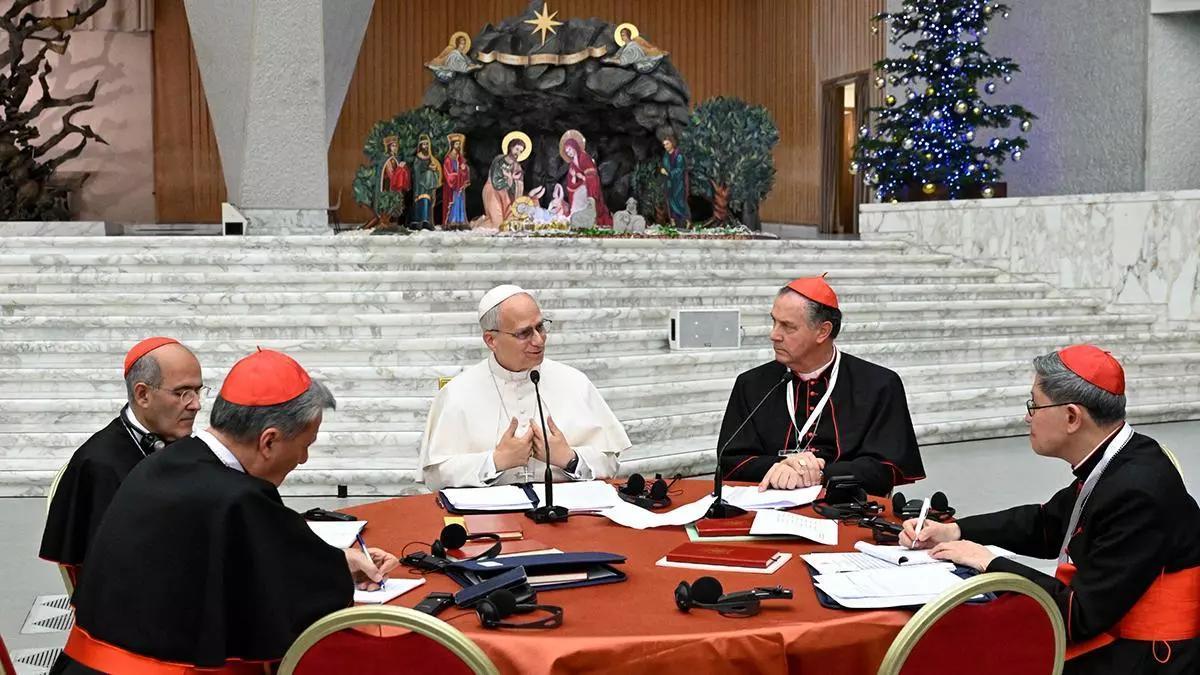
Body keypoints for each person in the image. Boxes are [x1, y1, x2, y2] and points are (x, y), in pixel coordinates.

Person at [51, 349, 398, 674]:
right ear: (269, 441)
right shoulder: (237, 497)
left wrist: (340, 561)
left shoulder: (165, 462)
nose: (303, 460)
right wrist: (334, 575)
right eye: (304, 446)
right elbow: (291, 600)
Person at [902, 345, 1200, 674]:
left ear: (1072, 417)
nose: (1028, 416)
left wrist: (991, 564)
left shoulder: (1136, 489)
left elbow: (1078, 617)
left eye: (1035, 405)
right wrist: (955, 531)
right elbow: (1046, 523)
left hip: (1146, 657)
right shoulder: (1120, 457)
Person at [717, 275, 924, 495]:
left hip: (847, 508)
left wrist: (822, 473)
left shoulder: (879, 385)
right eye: (774, 321)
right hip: (766, 505)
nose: (773, 335)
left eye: (787, 326)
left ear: (823, 331)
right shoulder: (751, 384)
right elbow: (729, 462)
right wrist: (781, 467)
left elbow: (887, 469)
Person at [419, 285, 629, 490]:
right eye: (524, 333)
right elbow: (435, 478)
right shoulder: (457, 393)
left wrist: (569, 458)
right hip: (489, 521)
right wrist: (495, 462)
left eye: (540, 327)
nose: (538, 340)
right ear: (491, 340)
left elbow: (610, 464)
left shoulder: (576, 382)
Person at [40, 337, 203, 579]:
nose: (196, 405)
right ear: (142, 395)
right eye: (182, 393)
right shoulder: (98, 465)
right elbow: (111, 573)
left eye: (198, 391)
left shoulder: (187, 443)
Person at [562, 136, 612, 227]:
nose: (569, 153)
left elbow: (592, 175)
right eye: (567, 152)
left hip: (588, 187)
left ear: (574, 147)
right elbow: (571, 181)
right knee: (577, 197)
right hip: (579, 187)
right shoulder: (572, 163)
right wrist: (574, 177)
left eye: (569, 150)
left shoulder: (584, 157)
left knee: (583, 196)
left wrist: (581, 176)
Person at [411, 134, 443, 229]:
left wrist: (434, 171)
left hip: (429, 186)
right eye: (423, 144)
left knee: (428, 202)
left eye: (426, 144)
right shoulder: (418, 157)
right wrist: (427, 168)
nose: (425, 146)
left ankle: (427, 220)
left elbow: (437, 170)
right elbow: (416, 171)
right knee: (422, 201)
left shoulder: (430, 158)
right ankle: (420, 220)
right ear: (420, 146)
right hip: (420, 186)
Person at [660, 136, 690, 227]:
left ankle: (686, 221)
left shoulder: (678, 156)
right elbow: (664, 166)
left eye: (667, 144)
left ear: (672, 143)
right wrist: (662, 170)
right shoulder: (665, 156)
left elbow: (679, 169)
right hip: (669, 184)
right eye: (664, 145)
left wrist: (668, 173)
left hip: (678, 184)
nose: (665, 146)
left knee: (679, 202)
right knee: (671, 201)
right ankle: (673, 221)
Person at [442, 133, 470, 229]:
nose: (458, 146)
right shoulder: (448, 159)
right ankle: (452, 221)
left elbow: (465, 169)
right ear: (452, 145)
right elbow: (448, 174)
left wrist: (463, 169)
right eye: (457, 144)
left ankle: (460, 220)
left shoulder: (460, 157)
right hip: (452, 186)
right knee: (453, 202)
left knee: (460, 201)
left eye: (459, 144)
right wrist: (458, 174)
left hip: (459, 185)